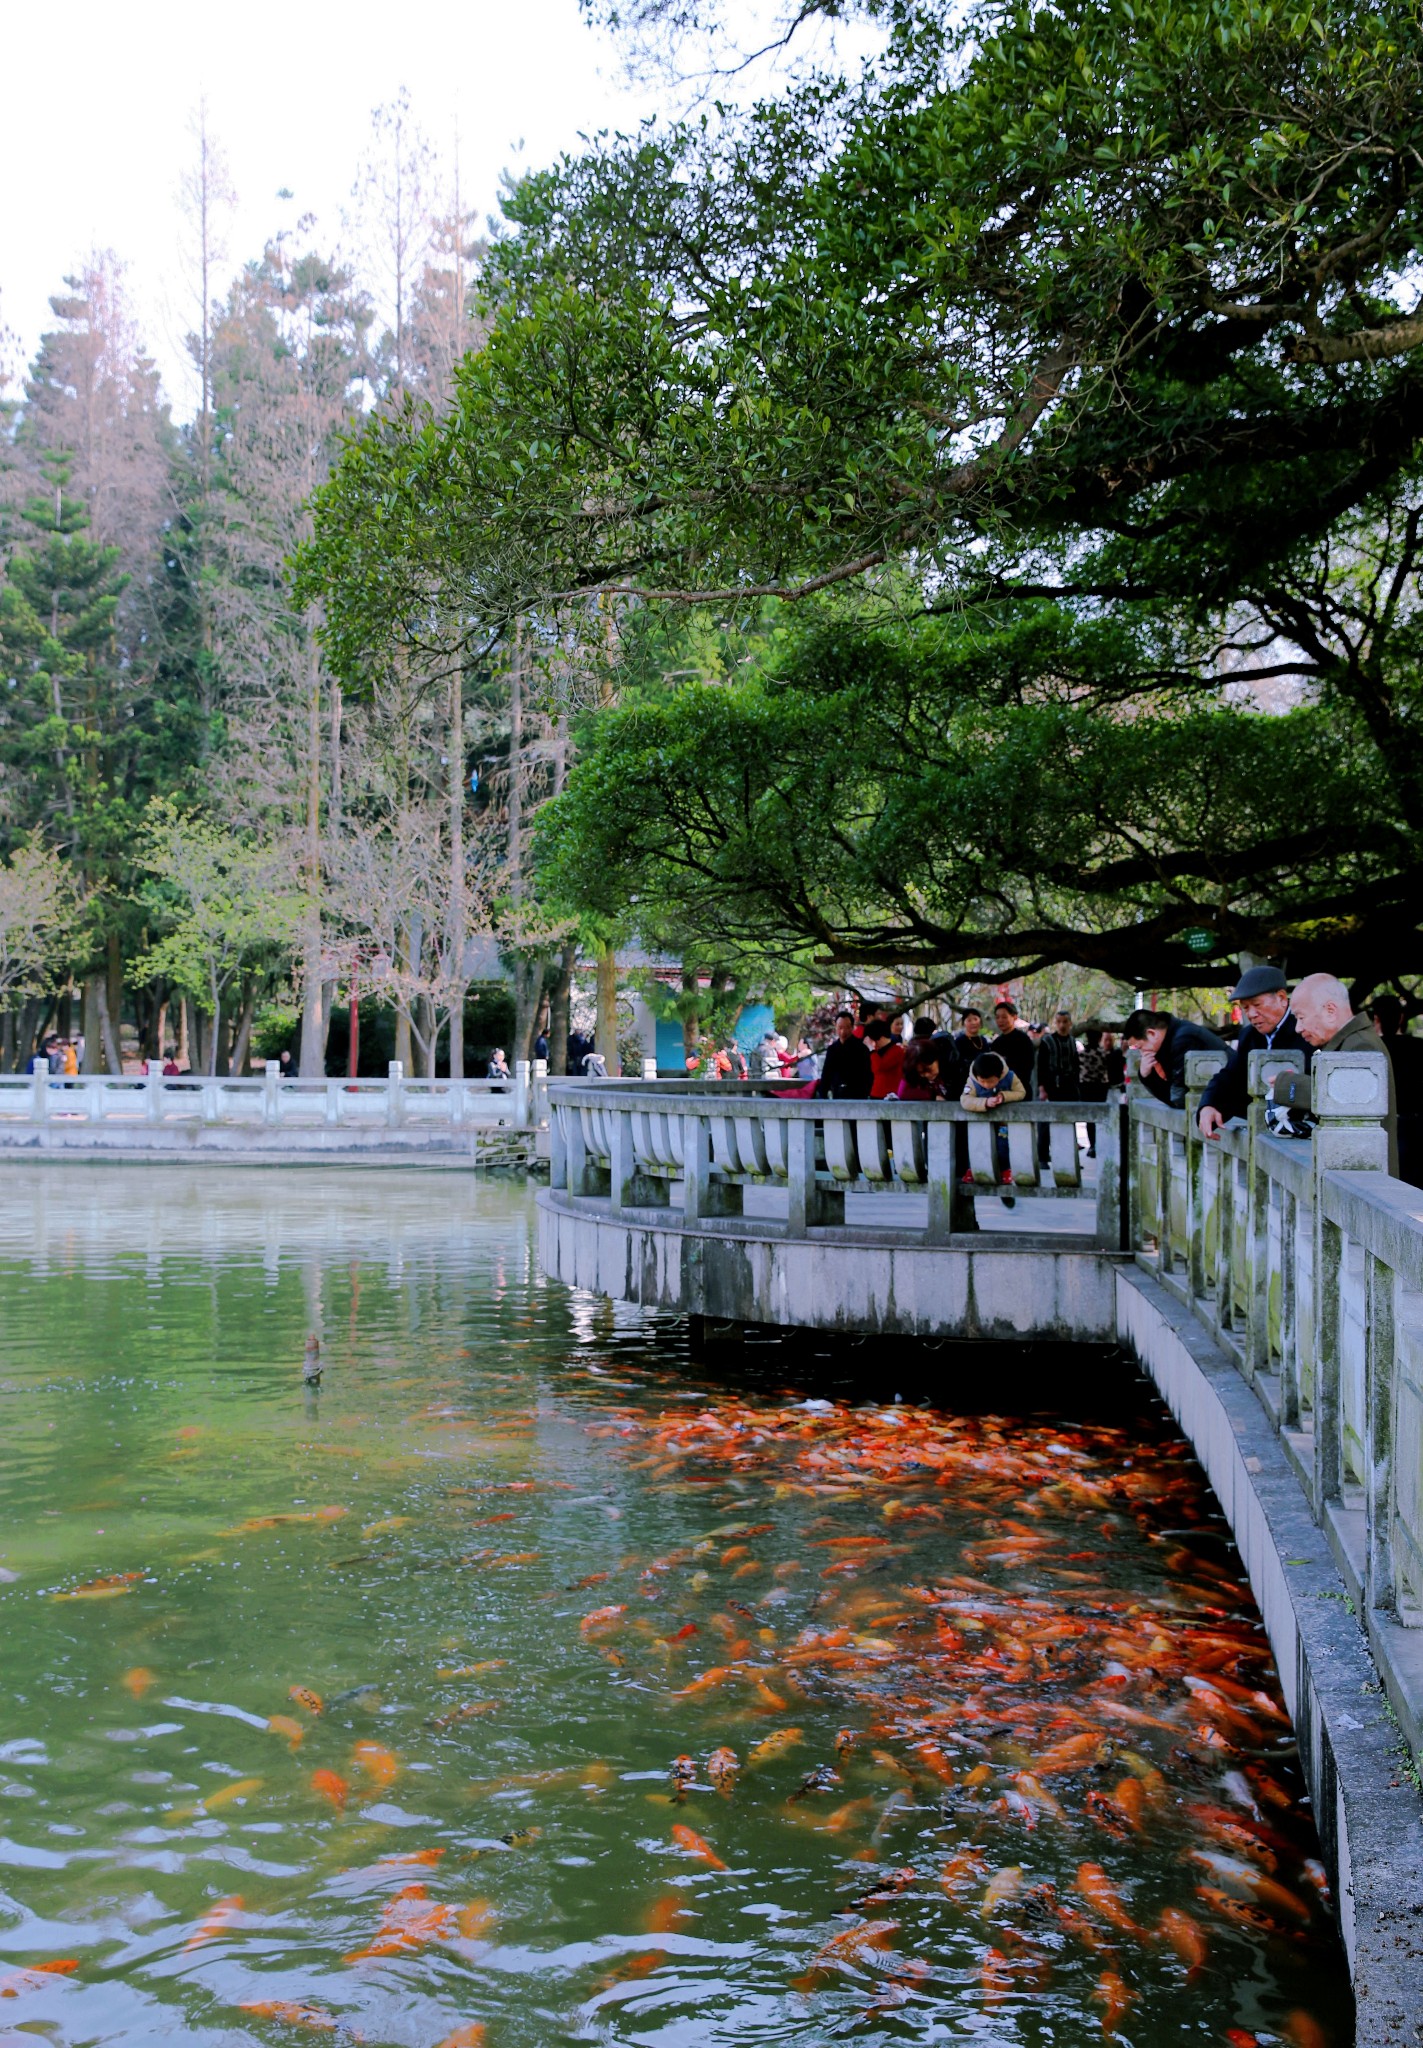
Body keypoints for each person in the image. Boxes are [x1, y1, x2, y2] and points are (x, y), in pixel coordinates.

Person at [1293, 972, 1398, 1175]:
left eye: (1301, 1017)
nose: (1298, 1028)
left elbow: (1343, 1100)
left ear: (1330, 1011)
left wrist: (1288, 1085)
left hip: (1367, 1175)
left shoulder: (1361, 1044)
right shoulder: (1349, 1042)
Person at [1198, 965, 1310, 1139]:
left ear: (1281, 998)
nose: (1251, 1014)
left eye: (1257, 1005)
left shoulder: (1305, 1029)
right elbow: (1231, 1076)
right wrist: (1209, 1105)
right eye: (1246, 1008)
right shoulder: (1249, 1035)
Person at [1120, 1008, 1228, 1109]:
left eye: (1140, 1047)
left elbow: (1178, 1099)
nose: (1142, 1053)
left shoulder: (1183, 1040)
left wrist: (1148, 1076)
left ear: (1151, 1033)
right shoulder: (1174, 1034)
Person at [1369, 995, 1423, 1188]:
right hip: (1418, 1126)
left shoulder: (1372, 1050)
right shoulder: (1419, 1046)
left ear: (1376, 1019)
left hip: (1386, 1127)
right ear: (1401, 1018)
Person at [960, 1050, 1026, 1204]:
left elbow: (1021, 1092)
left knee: (1003, 1147)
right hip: (981, 1125)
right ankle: (973, 1170)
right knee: (978, 1147)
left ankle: (1005, 1173)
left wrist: (1004, 1096)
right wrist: (984, 1103)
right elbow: (965, 1100)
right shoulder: (972, 1081)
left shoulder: (1009, 1077)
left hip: (1002, 1124)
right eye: (982, 1081)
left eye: (990, 1081)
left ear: (999, 1074)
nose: (986, 1085)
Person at [1035, 1008, 1081, 1162]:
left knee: (1068, 1121)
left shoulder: (1073, 1041)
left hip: (1069, 1086)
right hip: (1052, 1085)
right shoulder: (1047, 1041)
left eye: (1065, 1022)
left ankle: (1067, 1156)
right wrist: (1042, 1088)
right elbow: (1041, 1066)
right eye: (1059, 1022)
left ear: (1070, 1023)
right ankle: (1043, 1156)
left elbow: (1076, 1066)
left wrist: (1076, 1085)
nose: (1062, 1025)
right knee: (1047, 1123)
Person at [815, 1010, 873, 1100]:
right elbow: (826, 1074)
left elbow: (867, 1075)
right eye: (840, 1028)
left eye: (847, 1028)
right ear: (836, 1027)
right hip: (837, 1093)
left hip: (857, 1095)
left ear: (852, 1027)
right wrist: (823, 1094)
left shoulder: (861, 1049)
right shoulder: (832, 1049)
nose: (843, 1032)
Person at [989, 1001, 1036, 1092]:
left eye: (1004, 1017)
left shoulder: (1023, 1040)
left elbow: (1028, 1065)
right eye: (997, 1017)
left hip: (1020, 1089)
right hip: (1000, 1091)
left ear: (1014, 1017)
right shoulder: (996, 1043)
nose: (1000, 1020)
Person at [1078, 1026, 1110, 1157]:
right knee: (1100, 1117)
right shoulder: (1104, 1054)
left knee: (1089, 1119)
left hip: (1085, 1087)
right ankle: (1098, 1145)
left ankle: (1092, 1145)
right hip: (1100, 1087)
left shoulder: (1082, 1054)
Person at [864, 1018, 907, 1099]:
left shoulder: (897, 1051)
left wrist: (871, 1049)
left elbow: (880, 1067)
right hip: (875, 1093)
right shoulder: (876, 1051)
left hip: (890, 1095)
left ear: (879, 1038)